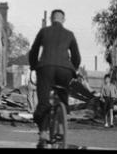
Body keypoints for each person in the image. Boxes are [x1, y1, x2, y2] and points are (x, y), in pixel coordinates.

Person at [28, 9, 81, 148]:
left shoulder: (44, 31)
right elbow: (77, 57)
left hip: (46, 68)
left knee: (44, 102)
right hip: (65, 71)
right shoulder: (69, 34)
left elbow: (33, 51)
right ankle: (63, 117)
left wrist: (33, 66)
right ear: (63, 20)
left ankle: (44, 132)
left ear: (52, 19)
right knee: (63, 96)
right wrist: (72, 69)